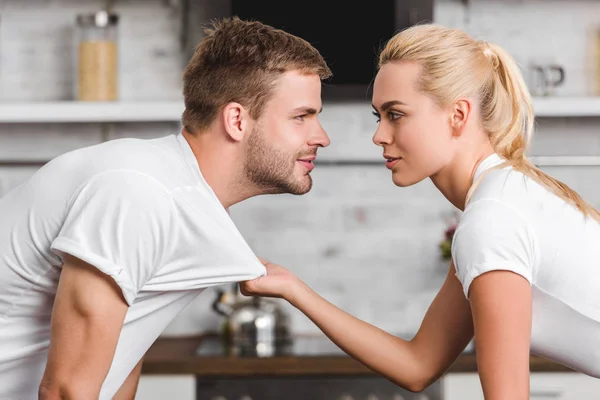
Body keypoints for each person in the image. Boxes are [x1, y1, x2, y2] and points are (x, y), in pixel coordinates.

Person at [242, 23, 600, 399]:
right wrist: (292, 288)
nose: (379, 135)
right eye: (378, 116)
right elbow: (418, 364)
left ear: (458, 115)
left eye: (395, 114)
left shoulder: (493, 220)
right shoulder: (500, 201)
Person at [0, 17, 331, 399]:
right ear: (237, 120)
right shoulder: (137, 192)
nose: (321, 136)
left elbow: (119, 357)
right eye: (301, 117)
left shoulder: (171, 191)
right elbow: (65, 391)